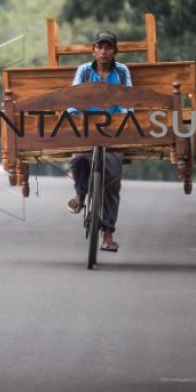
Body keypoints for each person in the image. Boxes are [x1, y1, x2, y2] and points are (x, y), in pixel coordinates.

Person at [66, 30, 132, 252]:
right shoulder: (84, 71)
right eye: (99, 47)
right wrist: (73, 115)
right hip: (85, 126)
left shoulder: (122, 71)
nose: (103, 52)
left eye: (108, 48)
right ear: (93, 50)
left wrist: (122, 118)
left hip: (115, 128)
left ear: (115, 51)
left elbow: (127, 99)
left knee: (112, 180)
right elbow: (74, 98)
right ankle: (80, 193)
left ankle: (108, 234)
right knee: (77, 159)